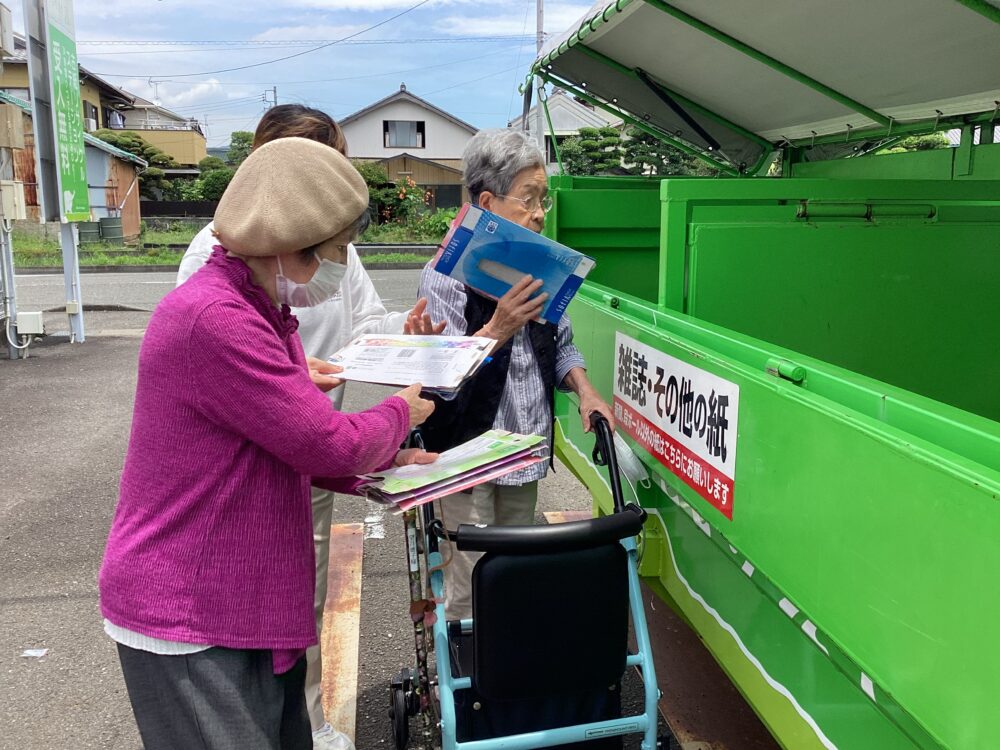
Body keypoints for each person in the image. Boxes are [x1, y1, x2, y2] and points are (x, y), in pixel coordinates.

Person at [99, 137, 438, 750]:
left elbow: (287, 446)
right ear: (288, 247)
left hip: (236, 597)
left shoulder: (256, 311)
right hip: (191, 605)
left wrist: (389, 463)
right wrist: (399, 413)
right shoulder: (218, 321)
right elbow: (323, 442)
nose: (339, 268)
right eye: (335, 253)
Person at [417, 128, 615, 621]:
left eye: (543, 199)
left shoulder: (545, 269)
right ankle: (468, 685)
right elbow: (441, 379)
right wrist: (498, 327)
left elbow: (562, 348)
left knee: (517, 569)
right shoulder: (444, 276)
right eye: (528, 199)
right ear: (488, 201)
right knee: (469, 578)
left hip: (524, 446)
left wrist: (586, 392)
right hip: (465, 451)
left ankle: (511, 673)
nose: (540, 213)